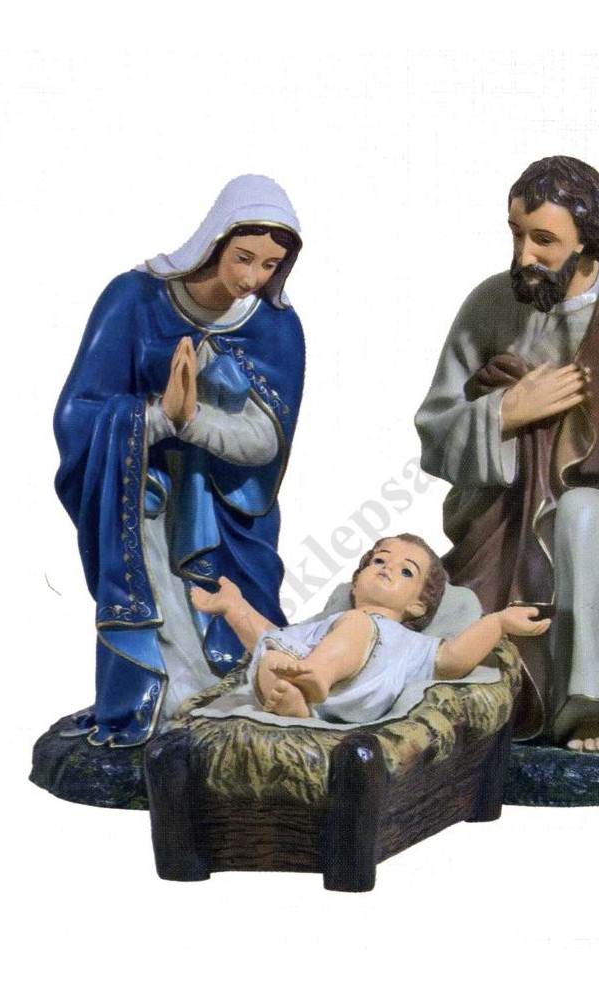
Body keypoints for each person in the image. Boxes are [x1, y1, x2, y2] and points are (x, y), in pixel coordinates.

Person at [414, 156, 599, 752]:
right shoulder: (490, 305)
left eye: (543, 240)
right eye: (516, 234)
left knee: (583, 513)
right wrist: (506, 413)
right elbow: (435, 431)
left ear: (587, 241)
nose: (524, 254)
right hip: (504, 523)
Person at [54, 174, 305, 747]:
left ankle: (229, 706)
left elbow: (266, 441)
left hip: (226, 512)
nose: (252, 278)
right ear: (215, 241)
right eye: (243, 258)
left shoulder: (276, 326)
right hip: (142, 500)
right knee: (161, 607)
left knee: (233, 611)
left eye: (270, 265)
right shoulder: (135, 299)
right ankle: (160, 710)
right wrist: (160, 418)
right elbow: (77, 412)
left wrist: (192, 422)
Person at [190, 534, 550, 723]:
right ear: (356, 581)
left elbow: (454, 658)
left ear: (417, 605)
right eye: (379, 560)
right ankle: (295, 707)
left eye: (406, 571)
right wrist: (234, 607)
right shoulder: (327, 625)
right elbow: (270, 637)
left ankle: (317, 676)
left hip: (357, 696)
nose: (387, 568)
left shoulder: (405, 641)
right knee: (270, 658)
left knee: (356, 624)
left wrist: (498, 622)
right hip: (306, 686)